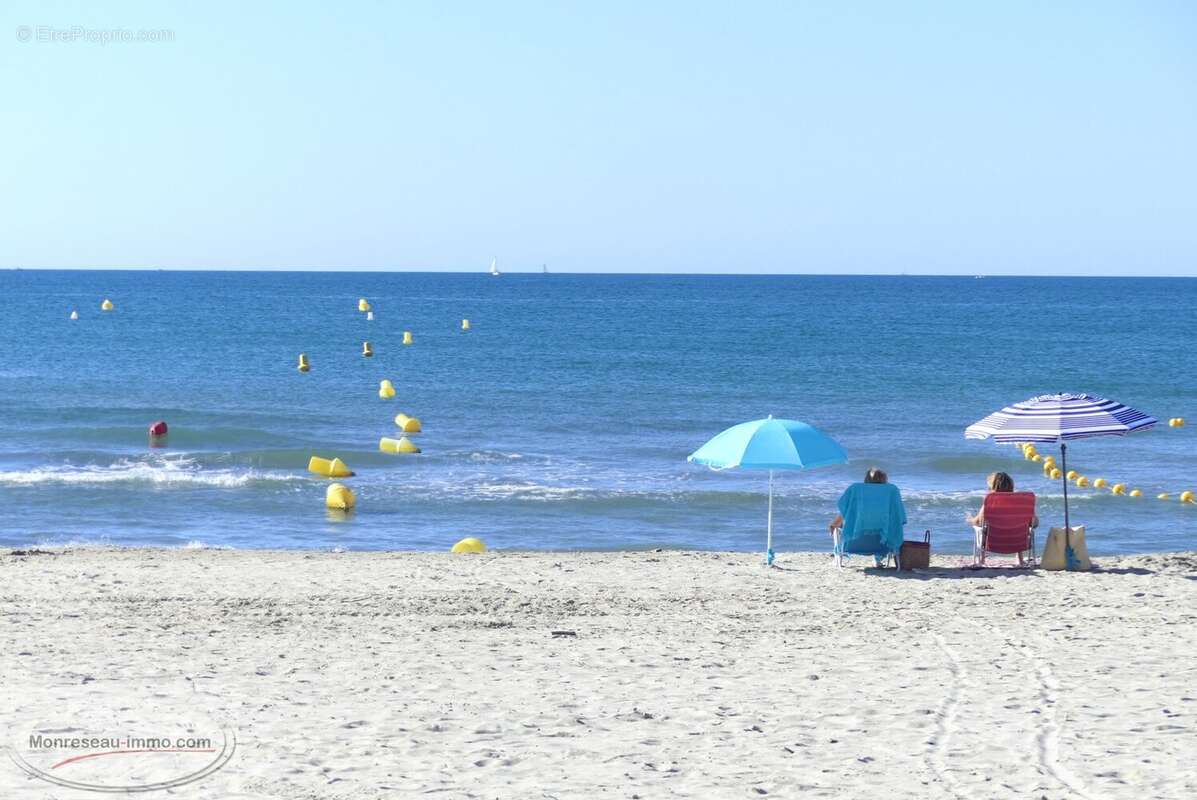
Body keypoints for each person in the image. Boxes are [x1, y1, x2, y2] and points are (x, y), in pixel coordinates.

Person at [829, 467, 906, 567]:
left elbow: (842, 515)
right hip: (883, 546)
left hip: (854, 543)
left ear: (866, 479)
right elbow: (899, 518)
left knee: (839, 526)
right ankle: (878, 559)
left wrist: (833, 525)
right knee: (884, 527)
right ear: (884, 479)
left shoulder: (856, 489)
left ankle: (838, 558)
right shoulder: (891, 491)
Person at [966, 471, 1038, 565]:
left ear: (993, 487)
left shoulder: (990, 501)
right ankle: (1020, 559)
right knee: (1019, 526)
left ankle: (982, 559)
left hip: (994, 543)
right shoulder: (1021, 501)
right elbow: (1034, 523)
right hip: (1018, 543)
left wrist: (970, 519)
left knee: (983, 528)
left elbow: (978, 522)